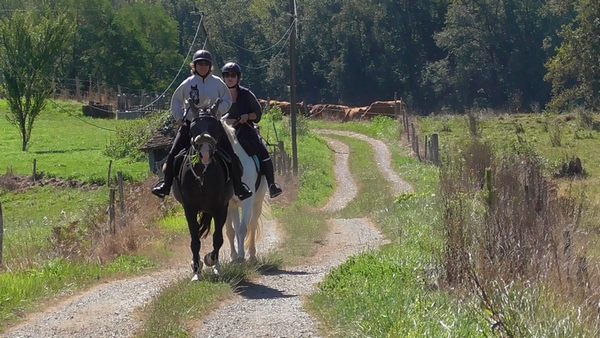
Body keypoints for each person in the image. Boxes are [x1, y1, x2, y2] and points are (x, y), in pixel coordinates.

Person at [152, 50, 253, 200]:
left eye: (206, 64)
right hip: (191, 125)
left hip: (213, 125)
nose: (203, 66)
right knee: (173, 154)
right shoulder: (187, 83)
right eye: (200, 63)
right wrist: (179, 118)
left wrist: (217, 112)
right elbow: (176, 101)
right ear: (194, 65)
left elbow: (227, 100)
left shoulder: (218, 83)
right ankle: (165, 186)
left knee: (232, 154)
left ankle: (239, 187)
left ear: (210, 66)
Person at [221, 62, 283, 198]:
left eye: (233, 75)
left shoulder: (246, 94)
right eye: (227, 75)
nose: (230, 78)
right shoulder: (219, 96)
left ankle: (272, 185)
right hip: (225, 133)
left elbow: (257, 114)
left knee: (263, 151)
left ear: (238, 77)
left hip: (245, 131)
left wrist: (247, 116)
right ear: (223, 77)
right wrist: (226, 122)